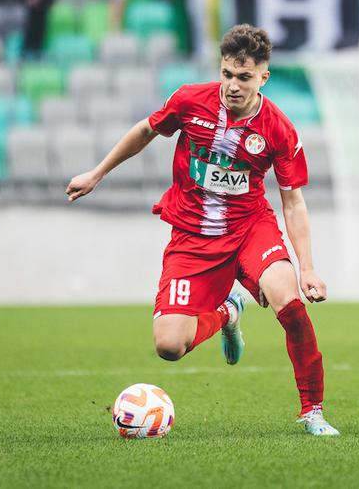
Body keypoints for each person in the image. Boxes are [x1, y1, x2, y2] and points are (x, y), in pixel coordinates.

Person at [66, 24, 340, 436]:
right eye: (227, 73)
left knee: (288, 299)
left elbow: (293, 201)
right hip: (192, 236)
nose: (232, 85)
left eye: (243, 77)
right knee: (168, 347)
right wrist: (97, 173)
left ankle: (313, 410)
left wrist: (308, 267)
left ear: (263, 77)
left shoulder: (278, 129)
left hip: (249, 227)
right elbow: (145, 131)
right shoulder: (190, 100)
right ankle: (229, 311)